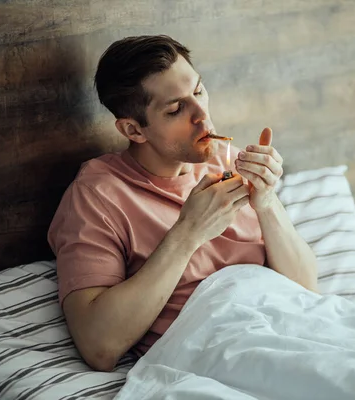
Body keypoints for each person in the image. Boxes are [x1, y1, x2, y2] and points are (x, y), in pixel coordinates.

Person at [48, 35, 318, 372]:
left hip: (296, 328)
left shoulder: (228, 162)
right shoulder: (97, 196)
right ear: (133, 130)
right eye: (176, 109)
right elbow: (99, 347)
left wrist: (266, 202)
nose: (202, 115)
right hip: (224, 353)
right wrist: (188, 233)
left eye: (199, 90)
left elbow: (308, 290)